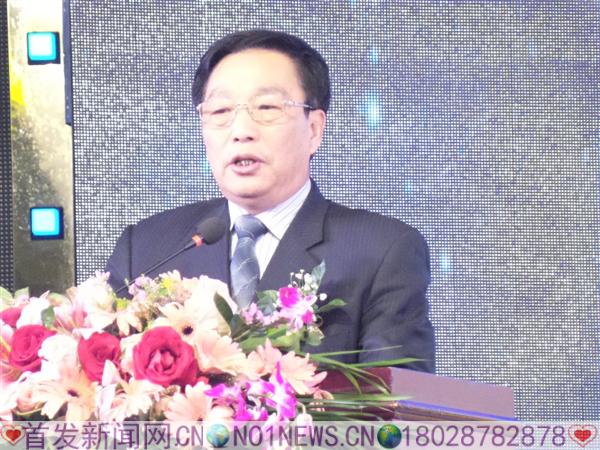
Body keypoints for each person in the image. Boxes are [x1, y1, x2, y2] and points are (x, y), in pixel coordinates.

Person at [106, 29, 435, 372]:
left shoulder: (382, 251)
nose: (241, 131)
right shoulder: (146, 250)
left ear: (314, 129)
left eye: (267, 107)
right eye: (220, 110)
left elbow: (397, 398)